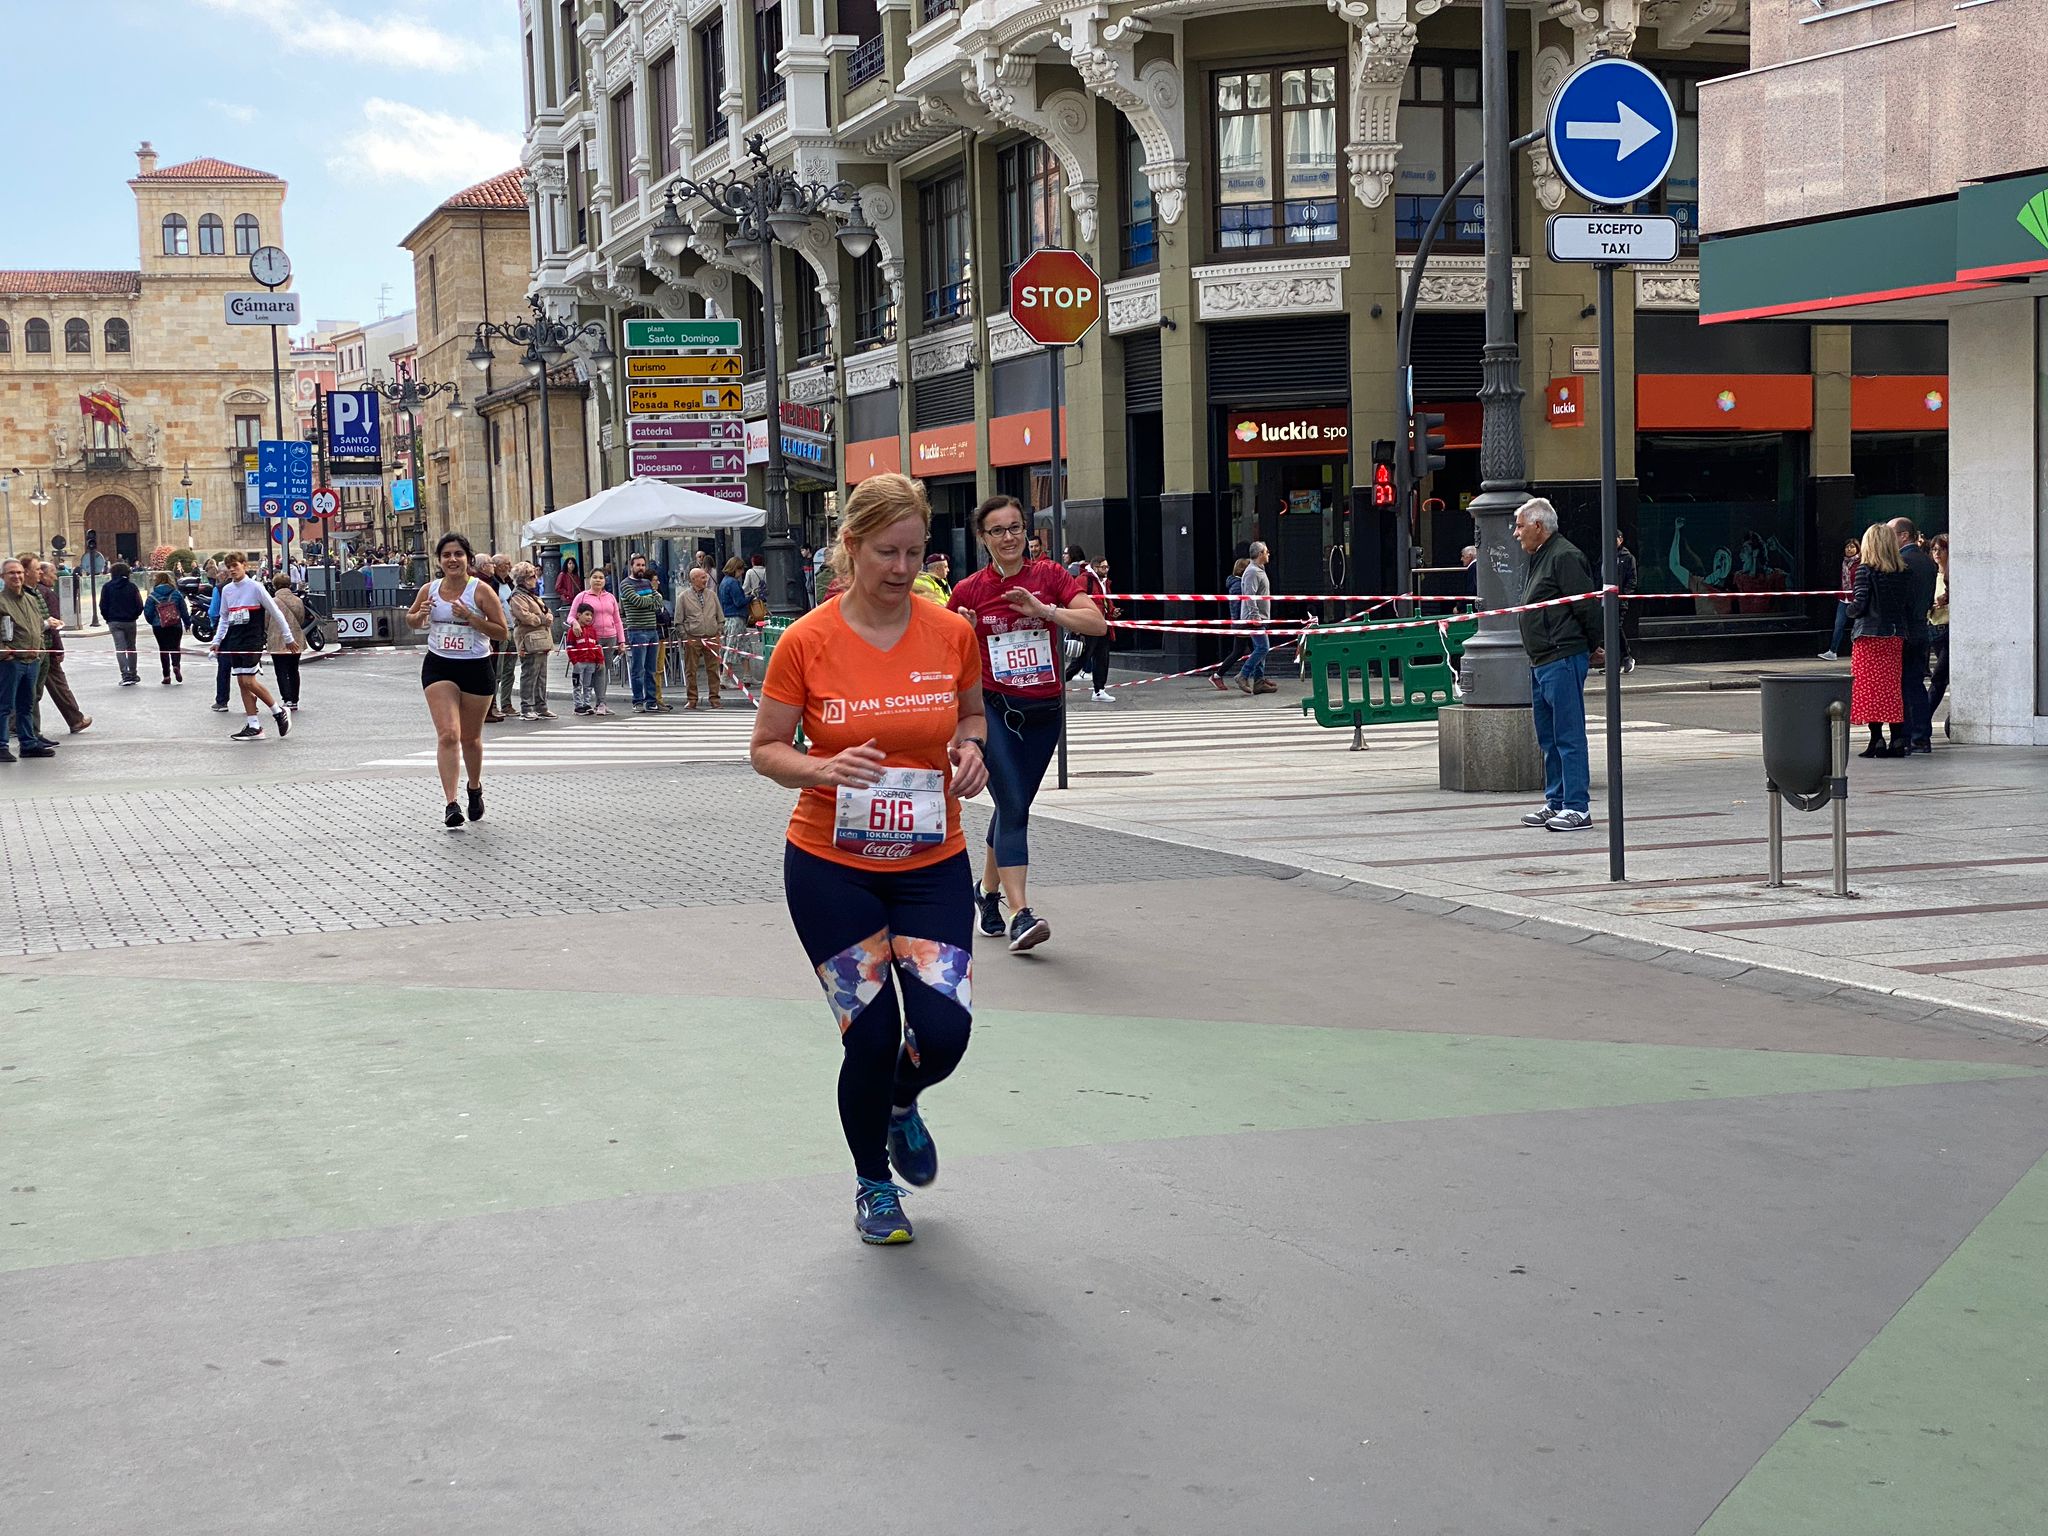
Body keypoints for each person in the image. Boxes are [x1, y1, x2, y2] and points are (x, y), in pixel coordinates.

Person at [749, 472, 988, 1246]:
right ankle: (872, 1187)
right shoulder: (806, 641)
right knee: (874, 1034)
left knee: (945, 1032)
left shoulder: (950, 633)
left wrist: (972, 748)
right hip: (831, 868)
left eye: (915, 551)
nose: (901, 567)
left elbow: (973, 712)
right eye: (886, 551)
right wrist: (820, 768)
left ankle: (900, 1103)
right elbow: (765, 750)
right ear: (850, 546)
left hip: (931, 862)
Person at [948, 493, 1108, 953]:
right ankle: (1022, 914)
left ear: (1028, 533)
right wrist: (962, 629)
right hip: (994, 712)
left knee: (1011, 808)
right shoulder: (969, 590)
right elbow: (941, 650)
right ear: (983, 538)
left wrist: (1045, 612)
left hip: (1044, 714)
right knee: (1015, 806)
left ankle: (987, 892)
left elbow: (1096, 623)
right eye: (997, 530)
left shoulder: (1051, 576)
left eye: (1016, 527)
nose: (1009, 537)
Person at [1511, 498, 1603, 832]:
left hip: (1562, 655)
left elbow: (1586, 606)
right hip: (1543, 658)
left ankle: (1577, 807)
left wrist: (1598, 645)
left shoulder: (1564, 556)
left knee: (1568, 734)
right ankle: (1557, 802)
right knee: (1549, 736)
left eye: (1520, 525)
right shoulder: (1541, 556)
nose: (1516, 533)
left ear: (1538, 526)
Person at [405, 532, 509, 827]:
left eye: (458, 554)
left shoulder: (481, 591)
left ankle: (474, 788)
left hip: (475, 666)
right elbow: (411, 620)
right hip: (439, 666)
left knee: (470, 738)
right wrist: (420, 615)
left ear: (468, 559)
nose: (452, 559)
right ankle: (451, 803)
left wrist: (471, 617)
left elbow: (502, 632)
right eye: (447, 555)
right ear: (439, 560)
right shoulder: (430, 589)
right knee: (448, 734)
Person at [208, 551, 296, 742]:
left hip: (252, 640)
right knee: (242, 683)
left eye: (235, 566)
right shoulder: (227, 591)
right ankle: (254, 725)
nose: (232, 570)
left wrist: (288, 637)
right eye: (229, 567)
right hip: (235, 640)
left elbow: (276, 612)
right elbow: (224, 617)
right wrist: (217, 641)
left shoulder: (255, 588)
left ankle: (278, 711)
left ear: (244, 566)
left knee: (249, 681)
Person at [1849, 522, 1914, 758]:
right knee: (1891, 688)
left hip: (1869, 635)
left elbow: (1860, 604)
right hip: (1895, 634)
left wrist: (1849, 610)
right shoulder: (1903, 571)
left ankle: (1876, 739)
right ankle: (1897, 739)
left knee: (1869, 689)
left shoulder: (1866, 570)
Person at [0, 558, 58, 759]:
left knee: (27, 704)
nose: (16, 576)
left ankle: (28, 744)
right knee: (5, 705)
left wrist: (40, 650)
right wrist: (4, 651)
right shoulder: (1, 601)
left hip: (33, 660)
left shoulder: (31, 599)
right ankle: (1, 746)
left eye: (19, 573)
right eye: (11, 573)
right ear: (3, 577)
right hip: (11, 662)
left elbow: (37, 627)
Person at [1891, 517, 1939, 754]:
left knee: (1904, 686)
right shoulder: (1927, 562)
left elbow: (1901, 600)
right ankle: (1921, 736)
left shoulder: (1901, 562)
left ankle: (1912, 736)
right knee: (1915, 684)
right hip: (1922, 628)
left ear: (1904, 536)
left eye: (1892, 533)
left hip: (1905, 630)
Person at [29, 559, 90, 737]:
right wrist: (58, 649)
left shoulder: (34, 591)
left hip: (37, 647)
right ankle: (75, 719)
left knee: (28, 688)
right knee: (59, 686)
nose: (55, 577)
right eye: (52, 573)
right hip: (46, 648)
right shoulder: (46, 593)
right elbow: (54, 622)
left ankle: (15, 725)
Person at [1063, 545, 1117, 703]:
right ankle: (1058, 686)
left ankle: (1099, 690)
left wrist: (1112, 611)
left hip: (1103, 625)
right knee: (1080, 660)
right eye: (1103, 567)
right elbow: (1075, 601)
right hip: (1088, 625)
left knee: (1102, 658)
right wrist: (1077, 625)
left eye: (1107, 567)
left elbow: (1106, 600)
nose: (1106, 570)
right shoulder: (1084, 580)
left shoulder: (1104, 582)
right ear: (1095, 567)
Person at [566, 570, 622, 715]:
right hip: (591, 640)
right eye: (595, 577)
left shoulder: (610, 597)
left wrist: (621, 640)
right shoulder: (582, 596)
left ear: (605, 580)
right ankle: (587, 703)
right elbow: (571, 617)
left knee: (603, 670)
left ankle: (601, 703)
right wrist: (576, 624)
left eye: (601, 578)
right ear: (589, 580)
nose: (598, 580)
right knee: (594, 671)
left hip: (610, 637)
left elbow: (617, 620)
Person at [506, 562, 556, 721]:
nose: (535, 579)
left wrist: (547, 617)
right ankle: (527, 707)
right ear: (523, 579)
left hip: (541, 639)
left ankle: (541, 706)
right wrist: (543, 619)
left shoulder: (531, 594)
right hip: (529, 639)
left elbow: (545, 610)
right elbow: (525, 616)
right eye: (532, 576)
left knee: (541, 675)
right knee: (530, 674)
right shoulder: (517, 596)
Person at [618, 552, 667, 712]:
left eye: (643, 565)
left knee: (651, 669)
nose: (641, 568)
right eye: (638, 565)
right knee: (638, 669)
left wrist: (649, 601)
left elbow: (658, 600)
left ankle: (651, 701)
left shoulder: (646, 582)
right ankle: (637, 701)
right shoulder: (625, 584)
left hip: (652, 630)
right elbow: (637, 602)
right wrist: (650, 601)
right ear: (631, 566)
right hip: (637, 630)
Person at [675, 563, 724, 709]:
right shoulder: (683, 597)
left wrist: (718, 632)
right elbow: (678, 621)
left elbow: (720, 616)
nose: (706, 580)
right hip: (693, 637)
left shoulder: (712, 595)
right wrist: (686, 637)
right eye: (702, 577)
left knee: (714, 669)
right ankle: (692, 699)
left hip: (711, 636)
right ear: (694, 579)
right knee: (691, 670)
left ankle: (715, 698)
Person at [264, 574, 311, 714]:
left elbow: (266, 621)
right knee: (293, 669)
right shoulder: (298, 601)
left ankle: (287, 699)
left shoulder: (272, 601)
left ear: (275, 586)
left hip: (277, 639)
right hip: (295, 639)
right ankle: (295, 700)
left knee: (281, 671)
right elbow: (301, 619)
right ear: (289, 585)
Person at [1234, 541, 1275, 695]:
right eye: (1266, 552)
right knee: (1263, 647)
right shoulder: (1252, 571)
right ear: (1260, 554)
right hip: (1254, 618)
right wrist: (1255, 616)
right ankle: (1243, 675)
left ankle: (1259, 681)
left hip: (1260, 617)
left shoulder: (1258, 570)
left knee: (1261, 649)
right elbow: (1249, 596)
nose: (1268, 554)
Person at [100, 561, 146, 685]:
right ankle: (133, 673)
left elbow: (103, 605)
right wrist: (134, 615)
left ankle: (125, 675)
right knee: (131, 647)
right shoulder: (132, 586)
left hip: (114, 621)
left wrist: (108, 618)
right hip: (130, 621)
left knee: (120, 648)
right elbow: (139, 604)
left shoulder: (107, 587)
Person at [1212, 556, 1252, 692]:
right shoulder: (1238, 586)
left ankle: (1259, 678)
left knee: (1257, 649)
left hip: (1244, 623)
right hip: (1242, 623)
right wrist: (1240, 623)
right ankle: (1218, 675)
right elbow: (1237, 607)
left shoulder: (1238, 584)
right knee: (1239, 651)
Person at [144, 572, 191, 684]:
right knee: (175, 647)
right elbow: (183, 610)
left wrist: (154, 622)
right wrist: (187, 623)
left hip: (159, 626)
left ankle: (166, 676)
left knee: (163, 649)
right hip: (175, 625)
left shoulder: (152, 596)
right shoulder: (176, 594)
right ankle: (176, 665)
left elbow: (147, 613)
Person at [1819, 537, 1859, 660]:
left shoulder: (1861, 563)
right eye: (1847, 547)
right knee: (1839, 625)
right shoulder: (1842, 562)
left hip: (1856, 600)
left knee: (1858, 627)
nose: (1849, 549)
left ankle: (1858, 653)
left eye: (1852, 547)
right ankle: (1833, 651)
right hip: (1843, 598)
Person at [1926, 534, 1950, 740]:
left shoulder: (1950, 577)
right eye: (1933, 550)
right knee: (1940, 678)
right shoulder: (1933, 576)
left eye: (1941, 549)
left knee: (1939, 677)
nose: (1936, 554)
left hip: (1949, 629)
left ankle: (1923, 719)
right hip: (1934, 628)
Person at [564, 606, 605, 715]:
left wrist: (600, 660)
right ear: (578, 615)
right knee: (577, 685)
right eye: (587, 614)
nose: (589, 617)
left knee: (588, 685)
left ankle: (587, 704)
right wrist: (575, 661)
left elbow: (597, 646)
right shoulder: (572, 631)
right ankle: (578, 706)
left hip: (591, 662)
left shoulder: (593, 631)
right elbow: (569, 648)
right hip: (579, 663)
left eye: (591, 615)